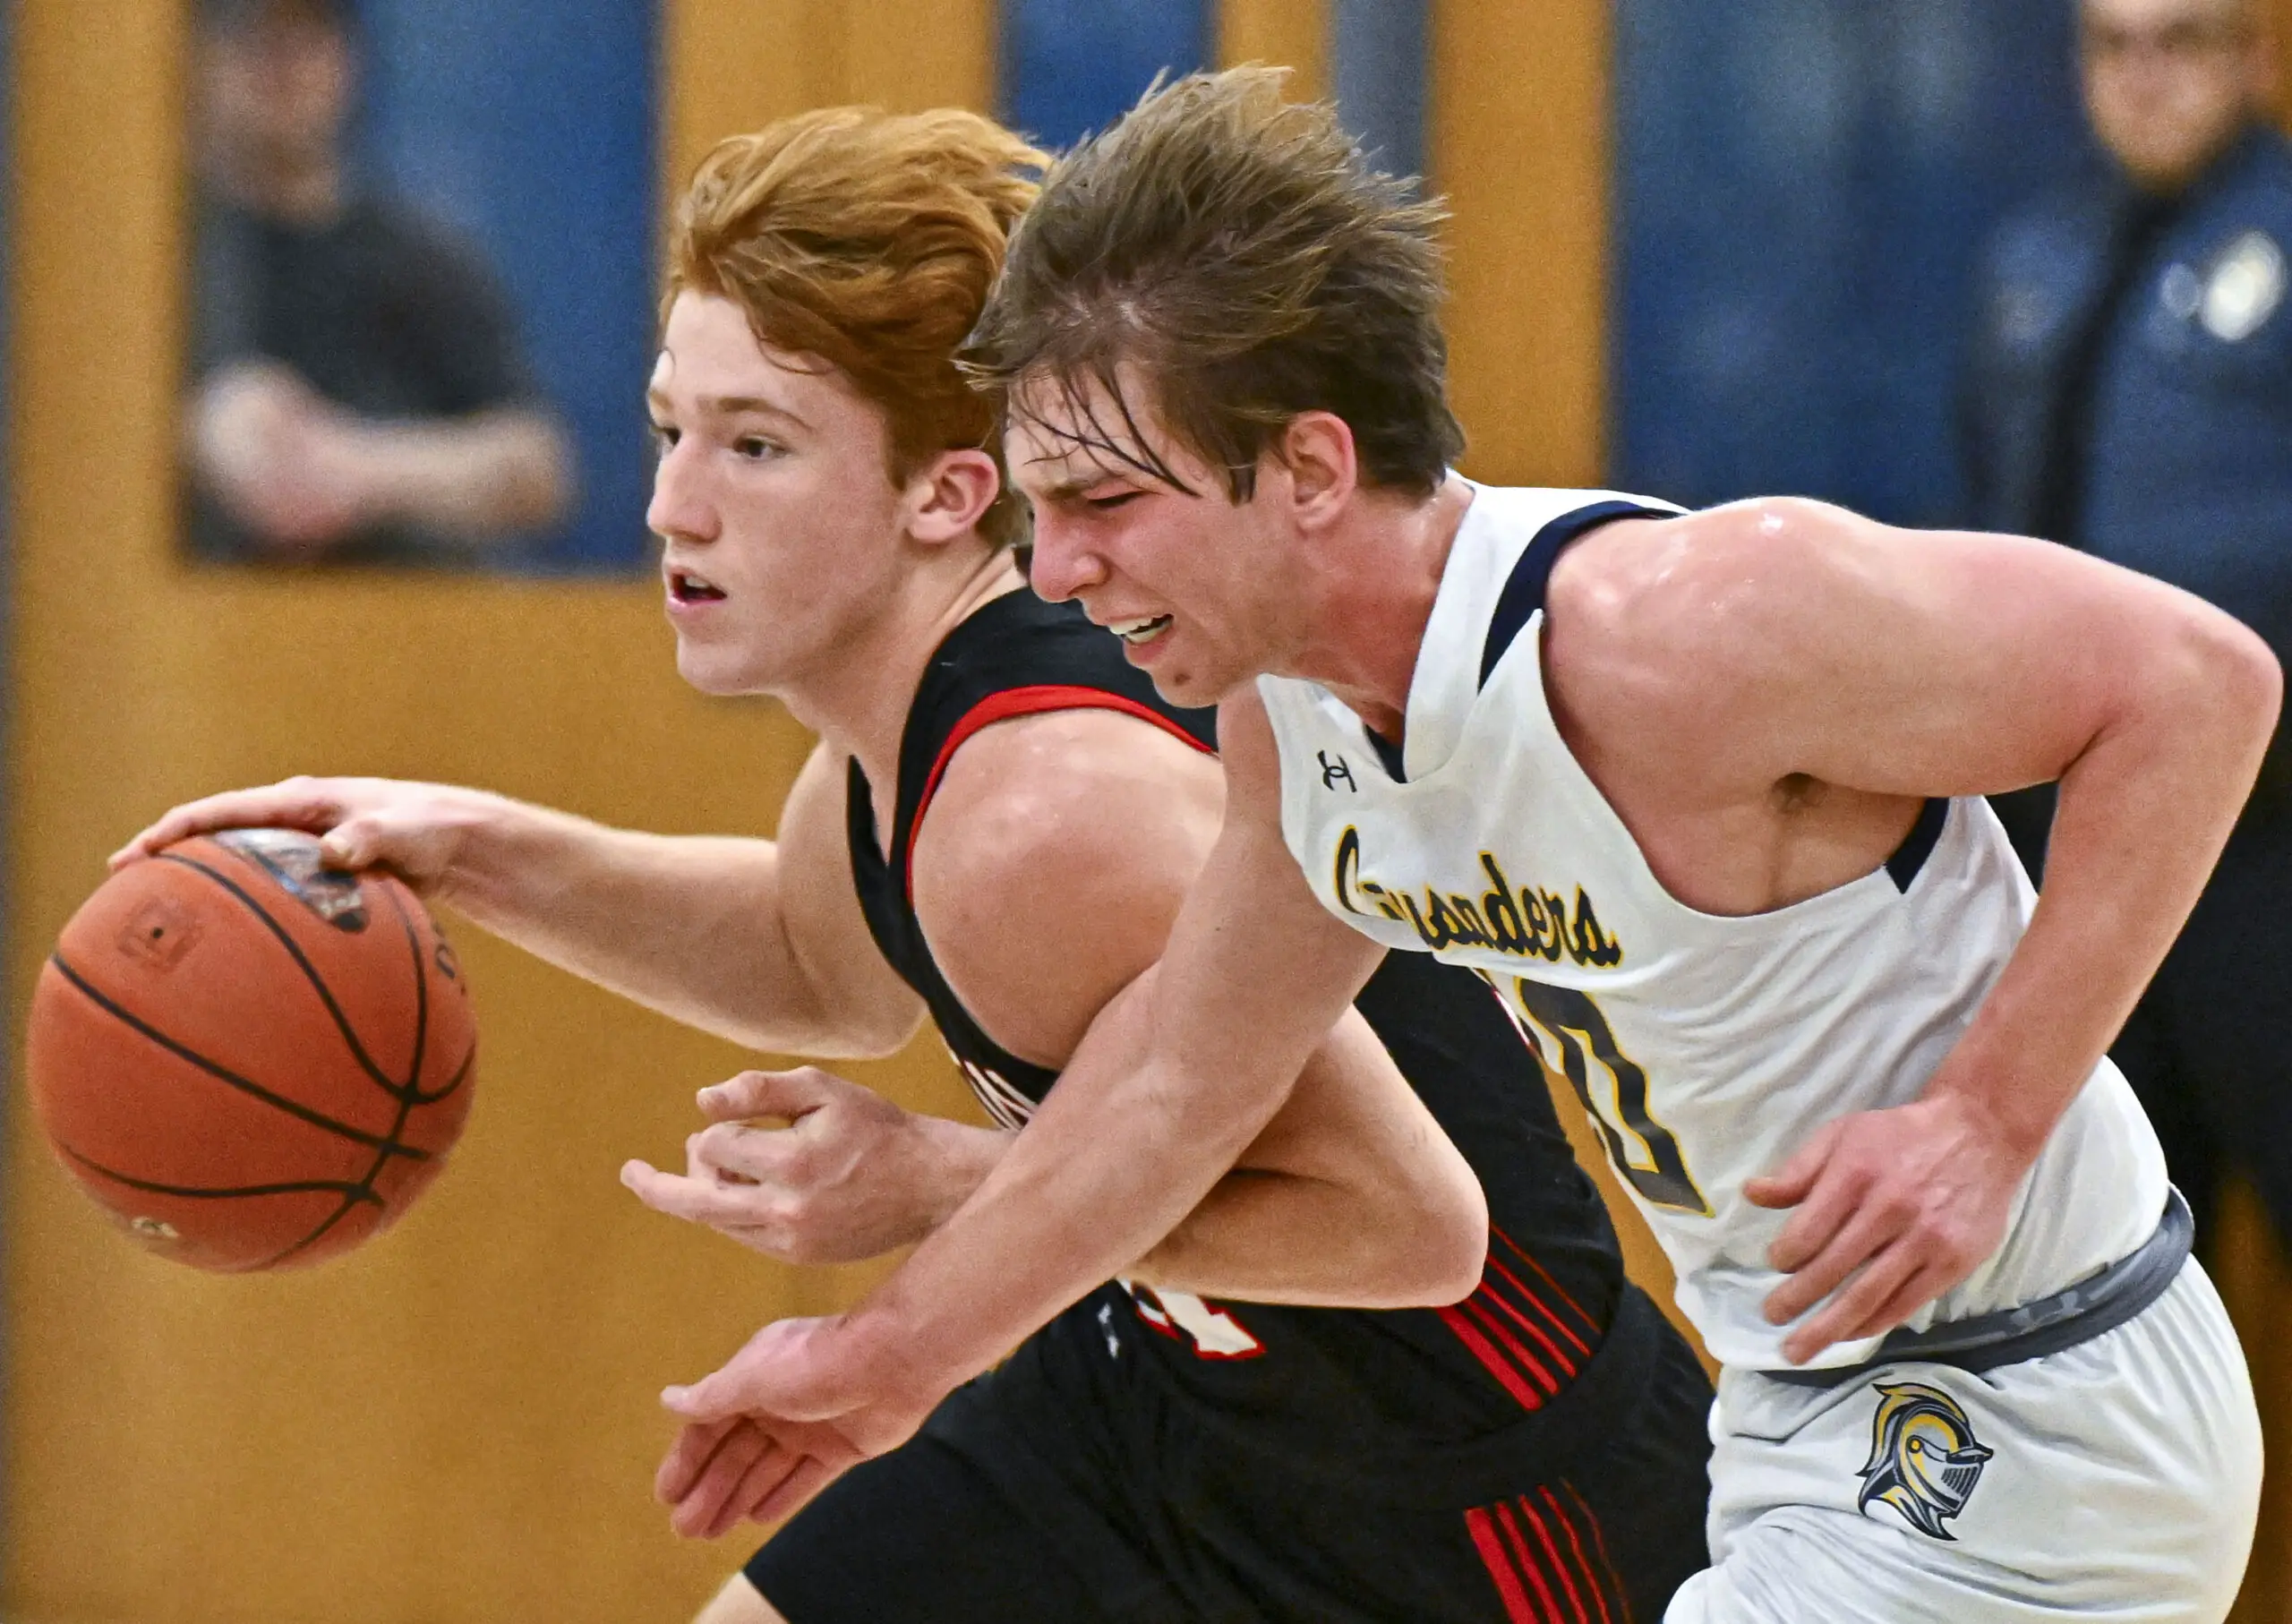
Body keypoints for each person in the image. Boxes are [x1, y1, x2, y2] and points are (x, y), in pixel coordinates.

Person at [659, 71, 2279, 1621]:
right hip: (1793, 1418)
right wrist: (879, 1357)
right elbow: (1166, 1094)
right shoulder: (1289, 718)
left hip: (2035, 1401)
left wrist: (1986, 1119)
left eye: (1102, 502)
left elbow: (2196, 686)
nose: (1057, 569)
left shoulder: (1677, 631)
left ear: (1306, 463)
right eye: (1037, 505)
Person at [120, 107, 1718, 1622]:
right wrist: (466, 849)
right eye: (673, 425)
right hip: (1154, 1389)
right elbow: (817, 961)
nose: (675, 503)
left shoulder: (1046, 809)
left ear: (947, 492)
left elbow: (1416, 1227)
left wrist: (941, 1181)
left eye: (757, 448)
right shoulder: (898, 749)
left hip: (1471, 1486)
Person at [1963, 0, 2292, 1258]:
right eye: (2116, 46)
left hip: (2267, 840)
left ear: (2254, 57)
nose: (2146, 78)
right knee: (2122, 1244)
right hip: (2081, 842)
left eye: (2186, 41)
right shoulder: (2038, 255)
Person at [184, 0, 571, 564]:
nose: (279, 65)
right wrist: (199, 433)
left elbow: (538, 471)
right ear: (193, 62)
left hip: (403, 625)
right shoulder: (152, 263)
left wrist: (357, 467)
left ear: (350, 61)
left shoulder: (421, 257)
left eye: (306, 39)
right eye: (250, 37)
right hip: (200, 627)